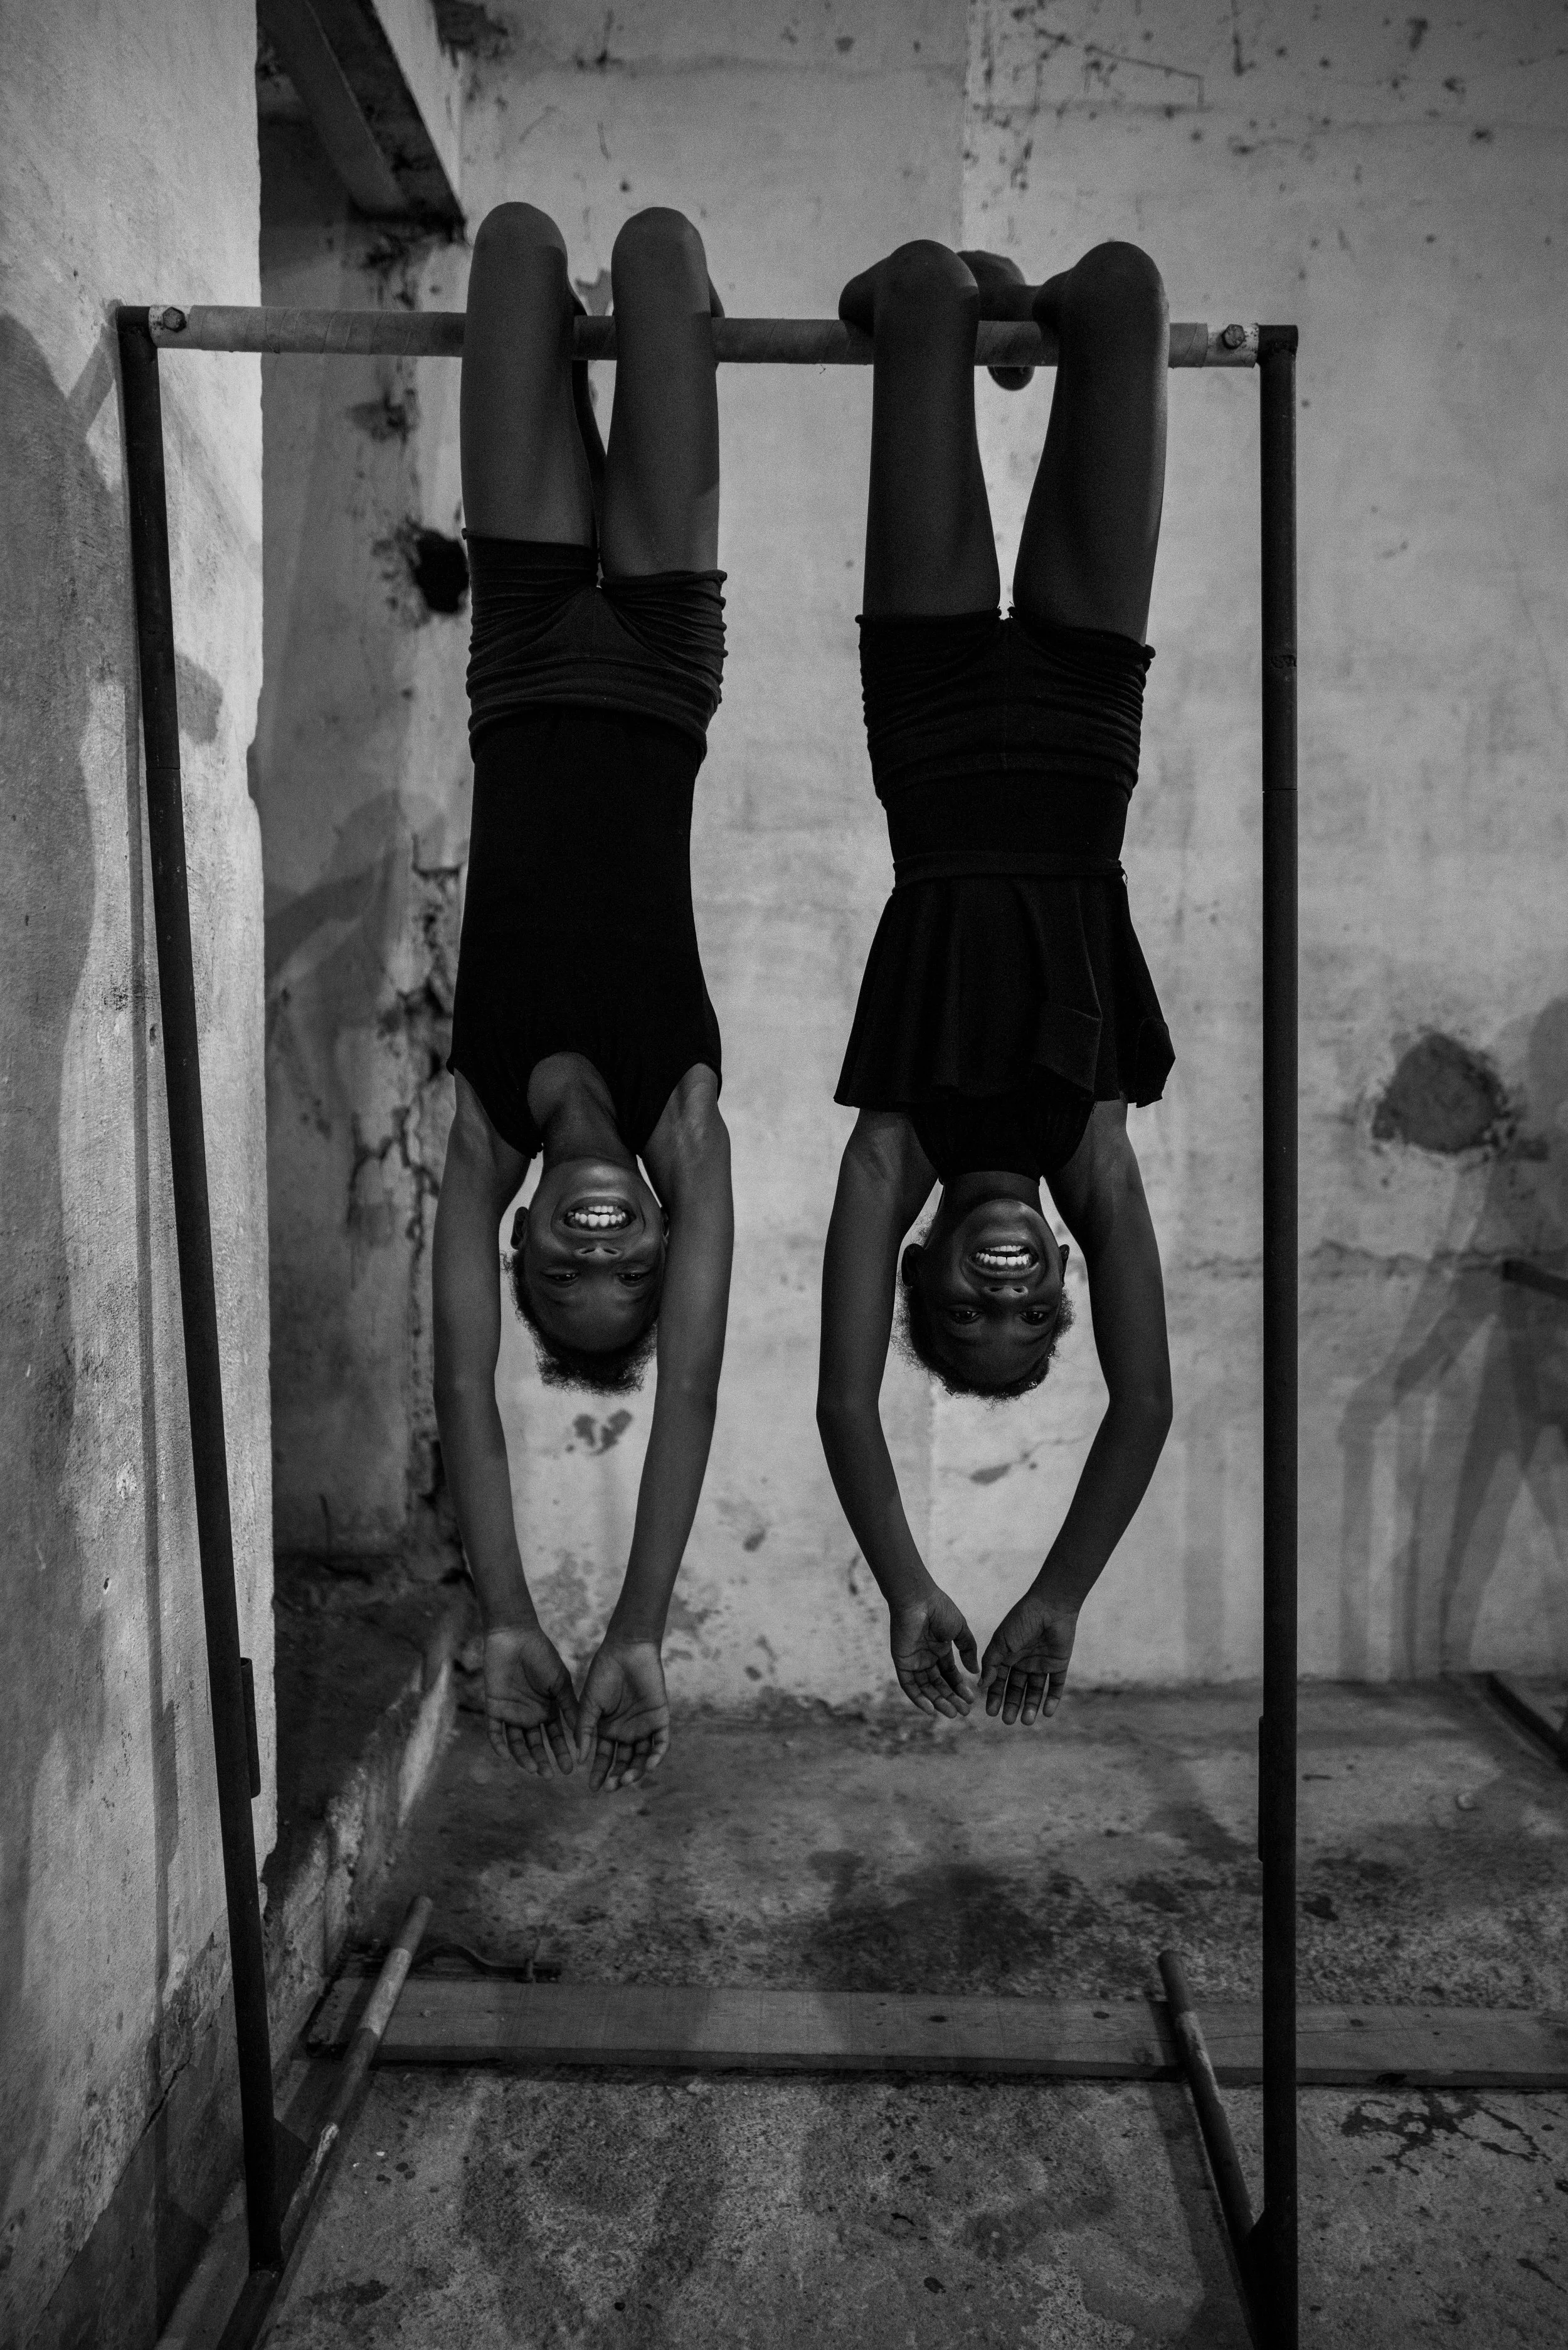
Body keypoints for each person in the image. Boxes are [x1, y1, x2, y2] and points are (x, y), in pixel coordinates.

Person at [817, 238, 1175, 1736]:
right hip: (1087, 722)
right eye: (1034, 1324)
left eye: (970, 1318)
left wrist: (905, 1582)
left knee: (909, 288)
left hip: (934, 718)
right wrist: (1061, 1591)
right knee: (1124, 294)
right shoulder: (1079, 1148)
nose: (1009, 1296)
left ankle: (948, 308)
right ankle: (1009, 314)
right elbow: (1144, 1403)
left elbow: (843, 1405)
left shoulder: (893, 1149)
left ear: (924, 1276)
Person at [433, 203, 733, 1795]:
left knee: (516, 247)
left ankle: (591, 321)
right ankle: (663, 317)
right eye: (635, 1264)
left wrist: (506, 1610)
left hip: (525, 637)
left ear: (526, 1236)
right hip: (668, 647)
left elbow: (469, 1397)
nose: (604, 1243)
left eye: (571, 1265)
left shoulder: (480, 1123)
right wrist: (636, 1627)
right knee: (664, 252)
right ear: (667, 1240)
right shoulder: (687, 1117)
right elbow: (685, 1384)